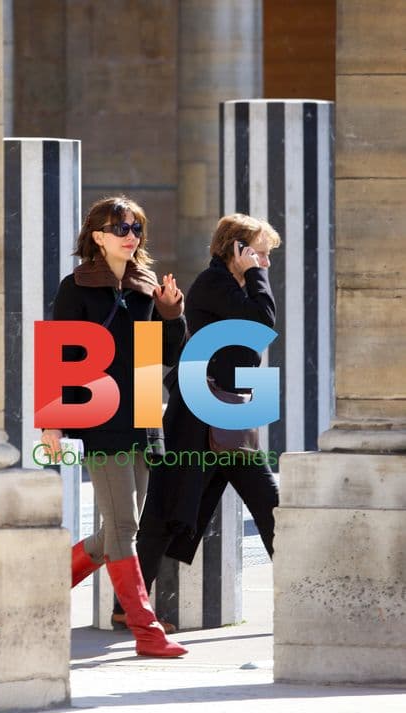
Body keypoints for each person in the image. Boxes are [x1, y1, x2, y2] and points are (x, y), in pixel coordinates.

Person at [116, 212, 281, 626]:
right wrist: (256, 278)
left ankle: (299, 593)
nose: (266, 264)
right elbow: (263, 324)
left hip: (227, 412)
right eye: (260, 254)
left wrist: (254, 277)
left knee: (270, 504)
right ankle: (128, 607)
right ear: (237, 251)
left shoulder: (235, 287)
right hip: (198, 414)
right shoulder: (215, 283)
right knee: (166, 508)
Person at [41, 195, 187, 658]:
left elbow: (165, 357)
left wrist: (171, 314)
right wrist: (52, 424)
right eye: (120, 228)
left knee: (121, 529)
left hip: (144, 412)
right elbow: (59, 355)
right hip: (101, 417)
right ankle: (147, 632)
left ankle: (37, 590)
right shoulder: (76, 286)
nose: (130, 236)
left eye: (136, 229)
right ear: (98, 236)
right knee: (123, 525)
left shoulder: (146, 286)